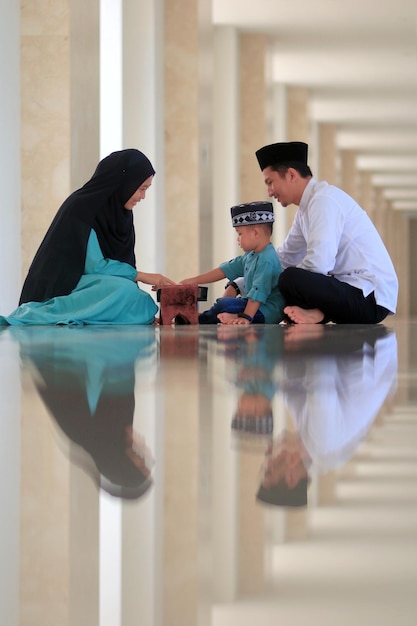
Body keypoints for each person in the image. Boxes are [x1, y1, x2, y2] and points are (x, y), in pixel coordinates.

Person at [228, 141, 399, 325]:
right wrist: (239, 284)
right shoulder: (306, 209)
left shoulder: (323, 201)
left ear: (291, 174)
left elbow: (319, 264)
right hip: (349, 293)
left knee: (289, 279)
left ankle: (319, 314)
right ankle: (318, 314)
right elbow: (284, 258)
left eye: (270, 182)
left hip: (370, 297)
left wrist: (267, 284)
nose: (270, 192)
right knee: (287, 278)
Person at [0, 149, 175, 326]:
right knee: (123, 290)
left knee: (138, 298)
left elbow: (125, 263)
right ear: (125, 183)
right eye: (141, 189)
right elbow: (94, 266)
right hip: (68, 285)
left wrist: (136, 300)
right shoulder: (82, 208)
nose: (142, 197)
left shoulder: (121, 214)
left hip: (100, 284)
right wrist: (142, 276)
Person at [181, 201, 285, 325]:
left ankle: (199, 319)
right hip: (252, 306)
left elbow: (259, 292)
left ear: (256, 233)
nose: (238, 239)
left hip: (266, 311)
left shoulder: (267, 259)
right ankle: (209, 316)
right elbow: (225, 269)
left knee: (225, 304)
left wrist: (246, 318)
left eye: (240, 234)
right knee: (226, 303)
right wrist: (193, 281)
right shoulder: (251, 255)